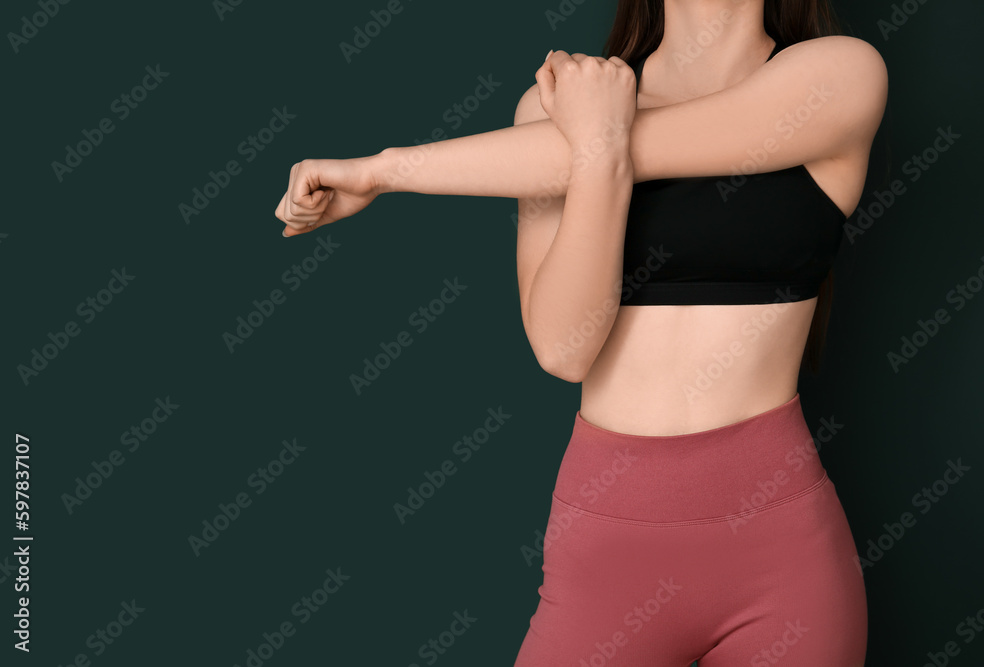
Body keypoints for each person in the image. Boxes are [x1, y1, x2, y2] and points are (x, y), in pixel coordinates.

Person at [273, 1, 887, 663]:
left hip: (781, 551)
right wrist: (593, 154)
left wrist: (386, 170)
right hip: (606, 547)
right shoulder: (550, 110)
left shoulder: (841, 74)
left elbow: (660, 142)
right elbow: (564, 349)